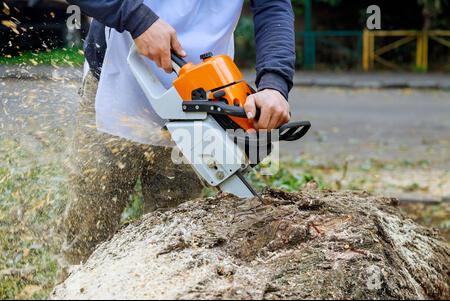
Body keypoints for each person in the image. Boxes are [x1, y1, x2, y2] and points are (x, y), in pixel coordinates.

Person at [60, 0, 296, 273]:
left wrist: (275, 83)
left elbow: (273, 5)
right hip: (115, 82)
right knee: (86, 234)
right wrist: (137, 18)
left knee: (175, 246)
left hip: (203, 100)